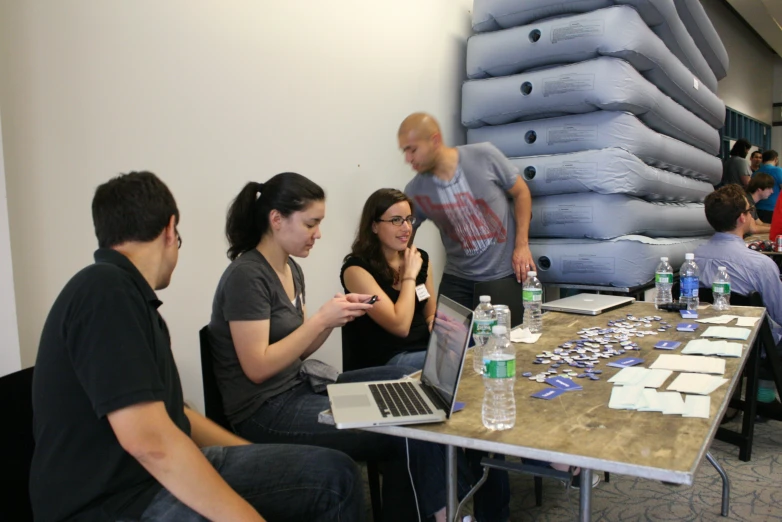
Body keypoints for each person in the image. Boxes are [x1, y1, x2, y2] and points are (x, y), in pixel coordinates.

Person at [30, 171, 363, 522]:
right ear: (170, 230)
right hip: (115, 500)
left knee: (334, 474)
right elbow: (151, 443)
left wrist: (258, 457)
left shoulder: (128, 298)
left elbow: (175, 415)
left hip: (147, 479)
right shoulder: (106, 291)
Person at [207, 172, 470, 522]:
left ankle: (439, 510)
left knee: (413, 389)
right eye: (311, 223)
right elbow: (257, 367)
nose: (318, 234)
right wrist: (320, 320)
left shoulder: (290, 269)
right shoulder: (247, 276)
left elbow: (297, 352)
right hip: (265, 411)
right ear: (276, 219)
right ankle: (443, 514)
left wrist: (334, 319)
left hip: (299, 386)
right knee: (407, 429)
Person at [341, 188, 436, 370]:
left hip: (424, 350)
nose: (406, 228)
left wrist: (435, 325)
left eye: (409, 219)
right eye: (396, 220)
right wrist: (409, 276)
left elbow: (430, 313)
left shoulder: (419, 258)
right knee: (449, 365)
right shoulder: (356, 270)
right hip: (386, 360)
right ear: (374, 226)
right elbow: (400, 326)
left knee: (471, 354)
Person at [752, 150, 782, 224]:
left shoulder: (755, 173)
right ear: (775, 159)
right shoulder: (778, 170)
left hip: (757, 209)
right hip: (773, 208)